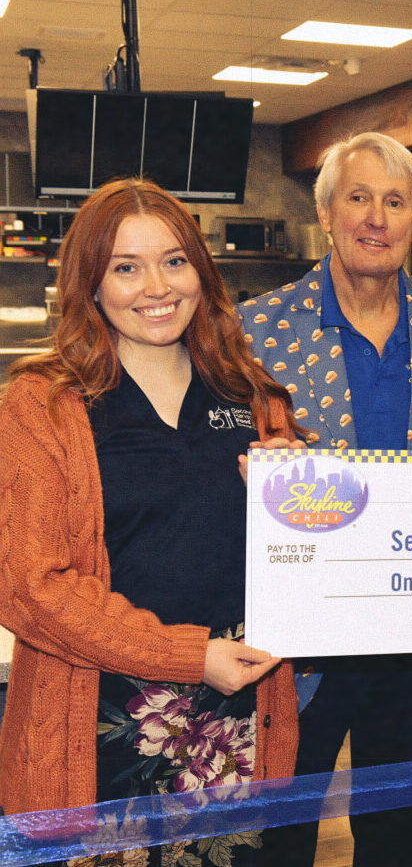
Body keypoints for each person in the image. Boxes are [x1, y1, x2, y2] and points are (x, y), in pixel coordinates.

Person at [0, 178, 302, 863]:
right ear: (90, 284)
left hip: (240, 714)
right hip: (96, 718)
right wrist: (188, 657)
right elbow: (29, 586)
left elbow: (305, 557)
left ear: (200, 268)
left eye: (174, 261)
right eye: (125, 267)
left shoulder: (251, 395)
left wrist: (300, 502)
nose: (156, 286)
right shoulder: (42, 404)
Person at [239, 131, 412, 866]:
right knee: (276, 833)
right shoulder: (257, 332)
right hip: (299, 642)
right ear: (326, 213)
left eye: (395, 201)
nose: (376, 217)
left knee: (402, 837)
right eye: (359, 197)